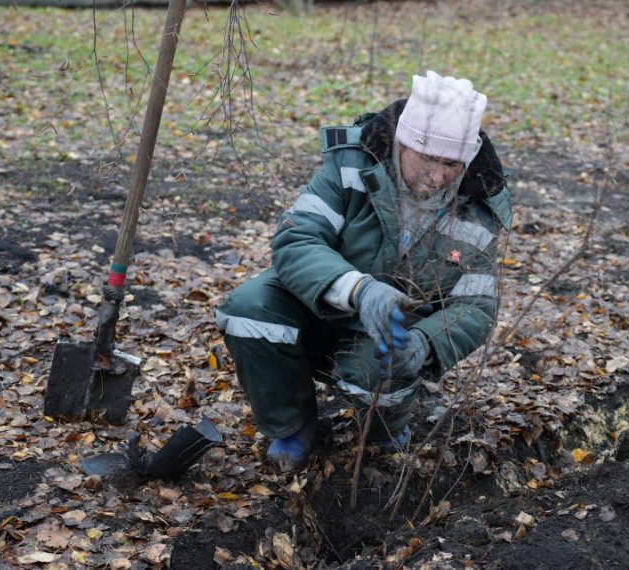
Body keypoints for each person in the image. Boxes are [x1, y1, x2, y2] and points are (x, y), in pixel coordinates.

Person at [215, 71, 512, 469]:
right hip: (320, 307)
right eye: (428, 158)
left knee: (378, 379)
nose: (439, 176)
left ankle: (384, 431)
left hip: (392, 337)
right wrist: (358, 289)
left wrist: (425, 342)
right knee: (248, 310)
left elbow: (477, 305)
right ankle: (292, 427)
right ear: (402, 143)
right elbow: (297, 239)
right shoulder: (352, 166)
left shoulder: (479, 205)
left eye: (451, 164)